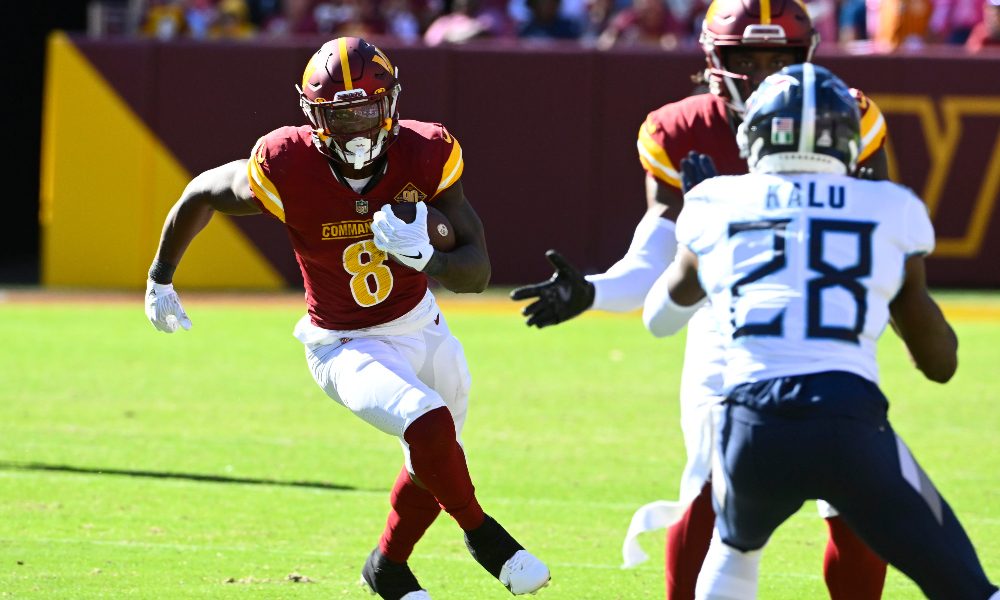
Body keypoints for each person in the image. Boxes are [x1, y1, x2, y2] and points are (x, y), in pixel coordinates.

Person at [143, 37, 550, 600]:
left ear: (390, 106)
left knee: (437, 454)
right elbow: (199, 193)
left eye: (367, 111)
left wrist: (426, 257)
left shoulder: (426, 152)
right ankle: (484, 536)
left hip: (421, 324)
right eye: (342, 115)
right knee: (427, 423)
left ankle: (386, 566)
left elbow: (477, 272)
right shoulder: (285, 163)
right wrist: (161, 274)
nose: (358, 129)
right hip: (342, 342)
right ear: (315, 118)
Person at [510, 0, 890, 598]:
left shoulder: (848, 114)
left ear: (806, 57)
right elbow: (655, 258)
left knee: (856, 492)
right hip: (725, 319)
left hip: (824, 312)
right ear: (717, 59)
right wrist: (594, 291)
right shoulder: (680, 129)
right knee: (711, 481)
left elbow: (879, 236)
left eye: (780, 57)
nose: (766, 72)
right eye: (749, 57)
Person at [642, 62, 1000, 600]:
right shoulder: (891, 206)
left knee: (736, 547)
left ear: (753, 135)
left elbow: (660, 319)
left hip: (751, 424)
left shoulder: (714, 203)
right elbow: (940, 364)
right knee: (968, 588)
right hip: (849, 419)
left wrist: (707, 241)